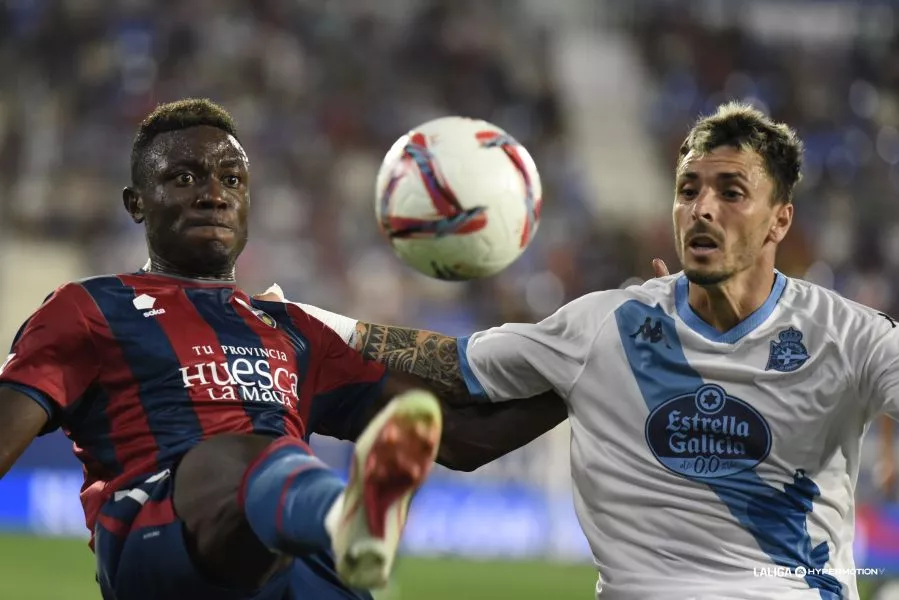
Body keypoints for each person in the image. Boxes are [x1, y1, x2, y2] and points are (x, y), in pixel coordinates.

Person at [292, 102, 899, 599]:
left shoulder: (848, 337)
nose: (702, 208)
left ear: (779, 221)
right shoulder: (605, 324)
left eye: (732, 191)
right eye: (688, 189)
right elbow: (456, 363)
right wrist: (302, 318)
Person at [0, 99, 564, 600]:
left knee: (283, 489)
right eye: (184, 178)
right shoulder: (91, 308)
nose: (214, 195)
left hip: (291, 556)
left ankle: (339, 521)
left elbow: (462, 437)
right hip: (158, 541)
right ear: (136, 202)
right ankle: (344, 514)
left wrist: (591, 369)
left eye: (231, 179)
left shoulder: (292, 329)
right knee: (241, 456)